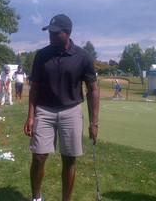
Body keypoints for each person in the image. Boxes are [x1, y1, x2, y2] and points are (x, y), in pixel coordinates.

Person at [23, 14, 99, 201]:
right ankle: (36, 197)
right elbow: (35, 87)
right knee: (39, 157)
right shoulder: (42, 55)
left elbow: (93, 89)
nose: (51, 36)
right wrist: (30, 116)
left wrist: (94, 122)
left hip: (71, 111)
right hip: (44, 110)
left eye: (55, 33)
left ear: (67, 33)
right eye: (49, 32)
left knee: (69, 159)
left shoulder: (83, 57)